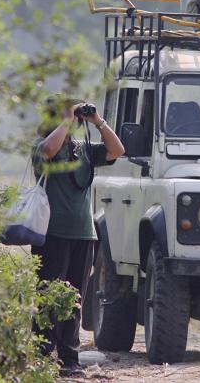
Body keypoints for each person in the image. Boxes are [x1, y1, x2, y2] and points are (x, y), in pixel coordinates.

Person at [32, 96, 125, 376]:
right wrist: (66, 120)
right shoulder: (42, 146)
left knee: (74, 299)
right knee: (48, 295)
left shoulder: (83, 150)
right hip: (52, 233)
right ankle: (43, 354)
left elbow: (117, 150)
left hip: (84, 233)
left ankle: (69, 359)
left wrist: (98, 122)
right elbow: (49, 149)